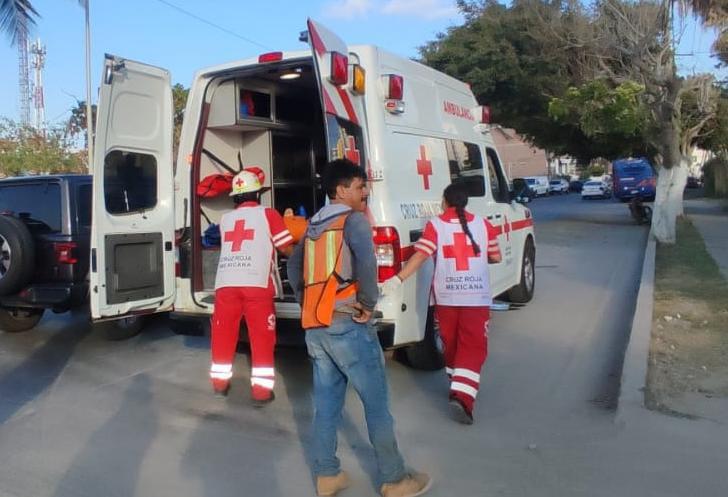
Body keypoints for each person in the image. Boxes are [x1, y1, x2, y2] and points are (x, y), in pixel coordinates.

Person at [287, 159, 432, 497]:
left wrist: (306, 302)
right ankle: (396, 479)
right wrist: (367, 304)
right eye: (359, 186)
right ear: (341, 190)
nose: (365, 191)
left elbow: (294, 266)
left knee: (326, 406)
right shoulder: (353, 221)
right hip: (348, 325)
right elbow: (367, 264)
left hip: (317, 326)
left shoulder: (312, 225)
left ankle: (327, 475)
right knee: (377, 405)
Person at [382, 183, 502, 424]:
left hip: (446, 298)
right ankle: (463, 398)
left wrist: (398, 278)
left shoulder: (435, 225)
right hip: (475, 298)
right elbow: (496, 256)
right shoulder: (484, 225)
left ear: (444, 202)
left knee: (452, 344)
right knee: (474, 346)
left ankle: (457, 386)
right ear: (466, 201)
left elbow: (421, 255)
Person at [209, 168, 294, 404]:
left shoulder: (225, 220)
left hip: (226, 284)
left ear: (235, 197)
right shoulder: (268, 214)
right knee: (262, 338)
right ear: (257, 194)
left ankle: (219, 384)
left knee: (223, 335)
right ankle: (261, 392)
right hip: (256, 284)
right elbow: (286, 248)